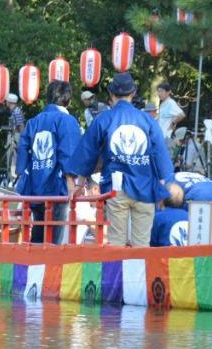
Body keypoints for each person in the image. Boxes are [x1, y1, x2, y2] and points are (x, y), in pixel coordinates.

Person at [69, 72, 175, 247]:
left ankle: (117, 274)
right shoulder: (147, 121)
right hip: (145, 188)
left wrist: (80, 184)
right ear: (133, 93)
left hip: (116, 188)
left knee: (117, 244)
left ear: (111, 94)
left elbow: (88, 153)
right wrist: (163, 185)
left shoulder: (104, 119)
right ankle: (139, 274)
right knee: (142, 245)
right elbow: (161, 158)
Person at [17, 79, 83, 244]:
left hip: (35, 183)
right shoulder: (67, 121)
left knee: (38, 231)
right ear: (68, 100)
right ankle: (48, 269)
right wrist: (70, 179)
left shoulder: (34, 121)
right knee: (54, 236)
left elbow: (23, 148)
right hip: (57, 184)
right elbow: (68, 150)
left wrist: (22, 174)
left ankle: (33, 267)